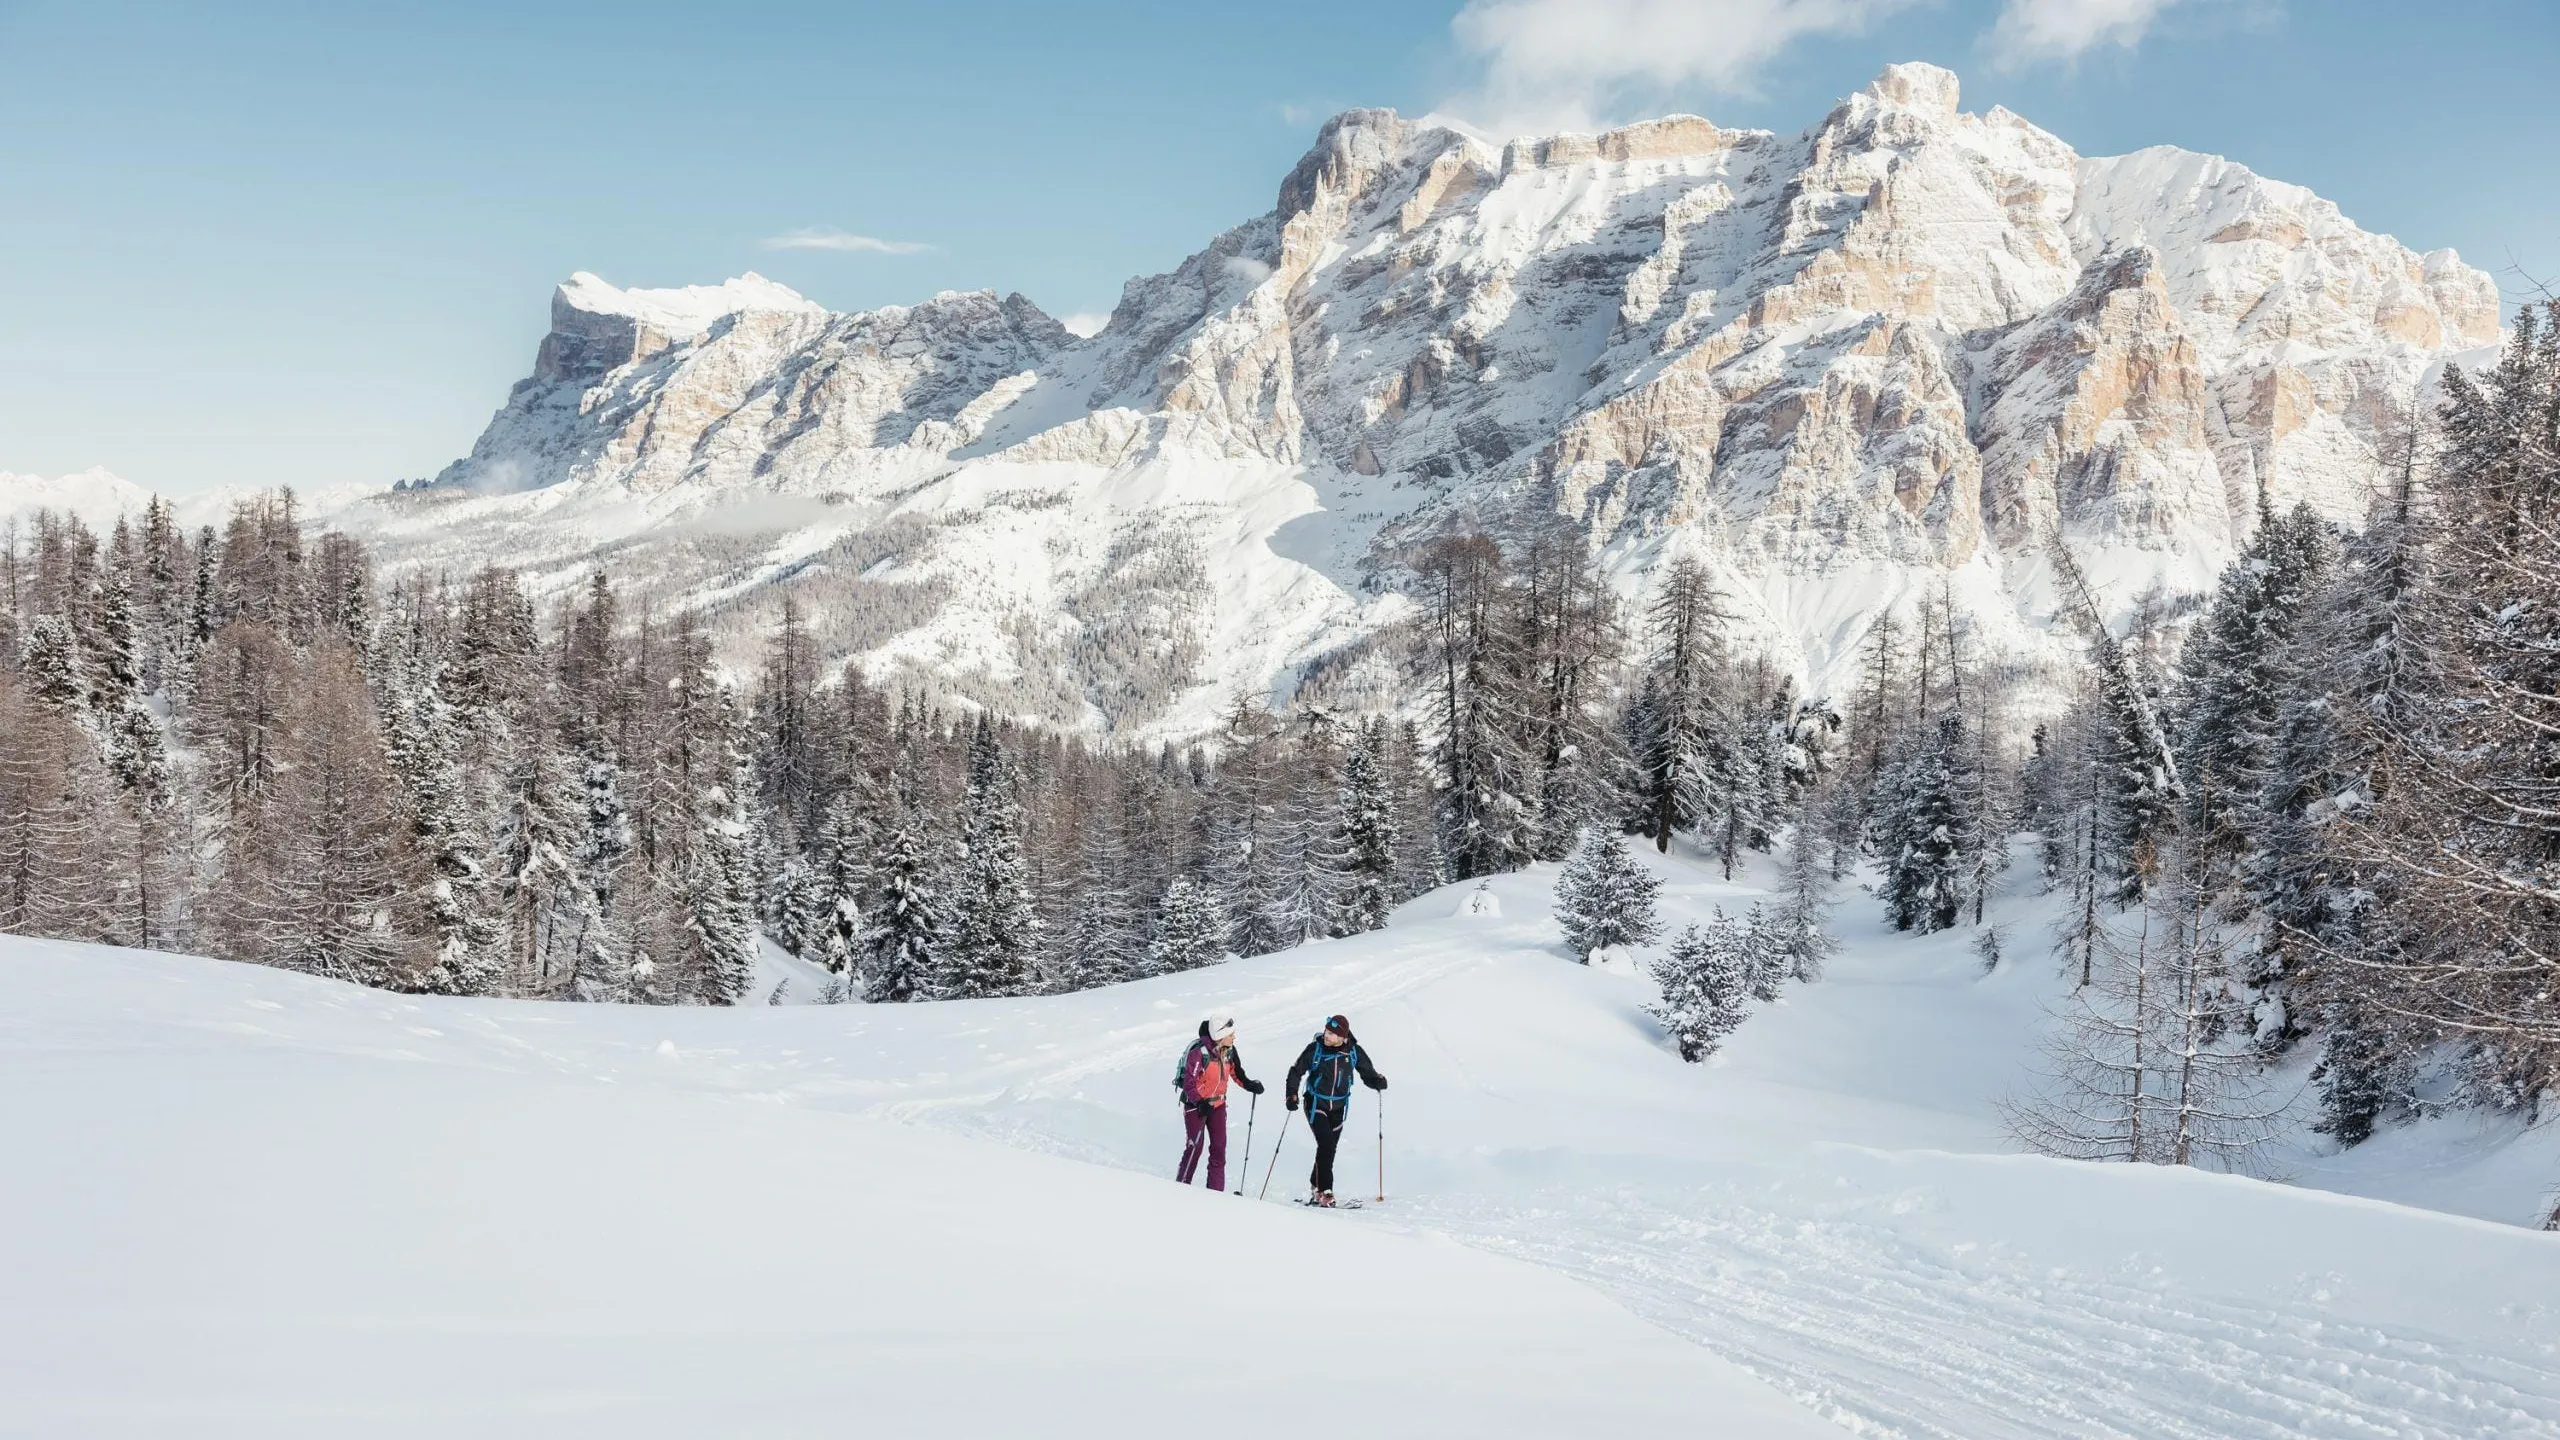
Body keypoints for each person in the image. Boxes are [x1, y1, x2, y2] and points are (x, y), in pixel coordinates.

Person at [1284, 1013, 1386, 1206]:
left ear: (1343, 1037)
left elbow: (1367, 1072)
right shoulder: (1315, 1049)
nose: (1327, 1036)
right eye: (1326, 1031)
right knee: (1326, 1145)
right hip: (1316, 1103)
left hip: (1339, 1106)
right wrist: (1292, 1095)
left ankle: (1315, 1185)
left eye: (1332, 1033)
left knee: (1328, 1148)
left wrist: (1377, 1081)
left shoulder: (1353, 1052)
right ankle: (1325, 1191)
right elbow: (1296, 1071)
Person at [1174, 1017, 1263, 1191]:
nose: (1234, 1037)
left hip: (1218, 1105)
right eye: (1230, 1034)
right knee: (1195, 1148)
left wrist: (1250, 1085)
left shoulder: (1229, 1051)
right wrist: (1199, 1102)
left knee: (1219, 1148)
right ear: (1220, 1036)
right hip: (1196, 1106)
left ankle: (1215, 1194)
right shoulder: (1199, 1052)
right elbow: (1189, 1083)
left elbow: (1237, 1074)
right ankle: (1181, 1188)